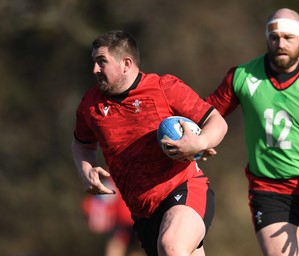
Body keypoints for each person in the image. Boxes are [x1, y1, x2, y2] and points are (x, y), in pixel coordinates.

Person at [206, 8, 299, 256]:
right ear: (266, 38)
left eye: (288, 38)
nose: (280, 44)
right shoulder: (243, 76)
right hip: (269, 190)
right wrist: (200, 140)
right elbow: (206, 113)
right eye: (274, 37)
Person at [71, 30, 228, 256]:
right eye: (94, 62)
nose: (95, 69)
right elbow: (81, 145)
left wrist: (200, 142)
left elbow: (217, 122)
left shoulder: (164, 88)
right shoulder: (90, 106)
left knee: (171, 246)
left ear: (126, 63)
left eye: (101, 62)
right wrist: (84, 169)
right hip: (143, 213)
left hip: (184, 189)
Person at [82, 177, 144, 256]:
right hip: (124, 222)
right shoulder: (112, 177)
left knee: (137, 249)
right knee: (117, 246)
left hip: (137, 219)